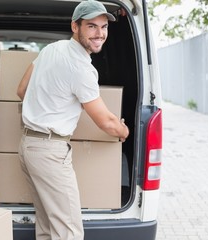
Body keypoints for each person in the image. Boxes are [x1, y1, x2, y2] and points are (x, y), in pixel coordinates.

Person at [16, 0, 129, 239]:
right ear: (75, 27)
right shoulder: (81, 68)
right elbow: (105, 122)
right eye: (91, 26)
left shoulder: (50, 49)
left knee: (47, 227)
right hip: (49, 151)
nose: (100, 34)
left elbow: (22, 90)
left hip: (28, 146)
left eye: (104, 27)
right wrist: (124, 131)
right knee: (69, 232)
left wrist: (49, 103)